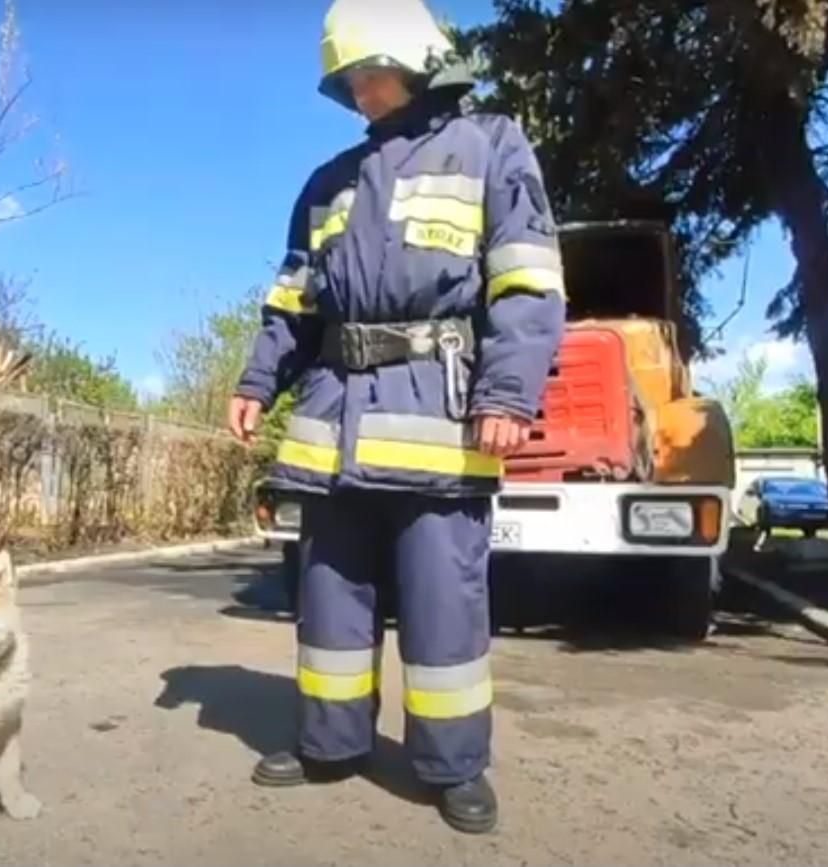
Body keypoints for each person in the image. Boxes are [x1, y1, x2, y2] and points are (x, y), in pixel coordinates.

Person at [227, 0, 567, 835]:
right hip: (334, 421)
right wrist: (256, 378)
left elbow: (525, 281)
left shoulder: (489, 144)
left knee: (441, 604)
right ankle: (329, 742)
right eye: (347, 79)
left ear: (417, 58)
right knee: (329, 598)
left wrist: (506, 393)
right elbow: (293, 302)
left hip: (438, 418)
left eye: (368, 71)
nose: (359, 89)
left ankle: (451, 765)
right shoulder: (327, 182)